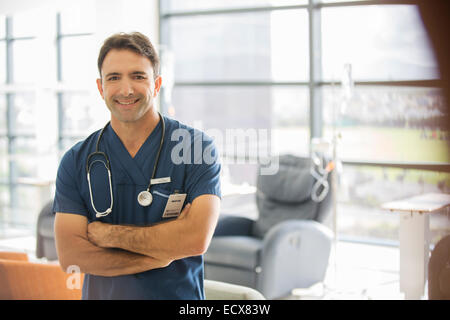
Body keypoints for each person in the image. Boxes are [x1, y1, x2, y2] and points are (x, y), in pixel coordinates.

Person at [53, 32, 221, 300]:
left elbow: (196, 239)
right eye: (114, 78)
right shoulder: (76, 160)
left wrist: (108, 234)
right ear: (100, 88)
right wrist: (157, 256)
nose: (126, 89)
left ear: (156, 84)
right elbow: (72, 257)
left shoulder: (195, 149)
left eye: (138, 76)